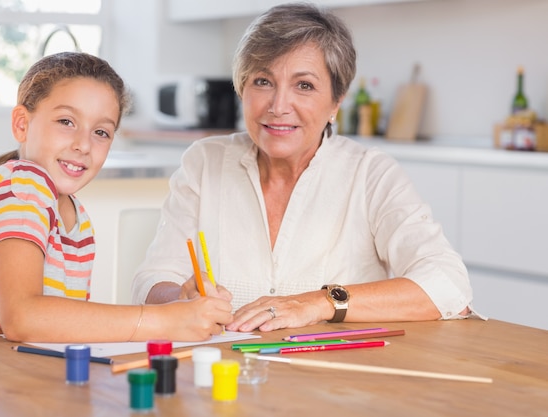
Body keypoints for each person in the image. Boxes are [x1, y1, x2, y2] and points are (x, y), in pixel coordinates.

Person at [130, 3, 476, 333]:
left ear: (336, 103)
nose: (279, 106)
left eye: (304, 85)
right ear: (242, 88)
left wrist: (319, 303)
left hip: (337, 382)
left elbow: (448, 284)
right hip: (228, 374)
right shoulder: (204, 161)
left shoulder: (370, 174)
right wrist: (180, 298)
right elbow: (152, 280)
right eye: (262, 81)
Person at [0, 52, 232, 342]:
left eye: (101, 132)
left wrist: (178, 307)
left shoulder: (77, 220)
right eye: (66, 122)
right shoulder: (24, 184)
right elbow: (22, 317)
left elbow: (59, 325)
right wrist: (162, 321)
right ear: (22, 123)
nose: (83, 144)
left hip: (4, 377)